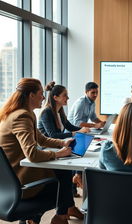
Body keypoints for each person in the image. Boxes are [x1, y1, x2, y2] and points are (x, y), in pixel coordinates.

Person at [0, 78, 84, 224]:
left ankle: (44, 218)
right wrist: (58, 154)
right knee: (63, 174)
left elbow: (42, 139)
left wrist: (63, 143)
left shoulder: (24, 113)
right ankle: (56, 216)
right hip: (19, 180)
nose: (44, 97)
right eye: (41, 93)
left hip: (9, 179)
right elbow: (32, 154)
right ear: (31, 95)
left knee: (63, 171)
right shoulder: (22, 116)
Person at [38, 81, 89, 197]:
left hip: (56, 146)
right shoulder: (47, 112)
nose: (68, 98)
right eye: (65, 95)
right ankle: (74, 185)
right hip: (46, 147)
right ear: (55, 97)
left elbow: (69, 127)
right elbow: (52, 135)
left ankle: (74, 184)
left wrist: (82, 129)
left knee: (81, 154)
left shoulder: (59, 111)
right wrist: (74, 133)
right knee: (73, 161)